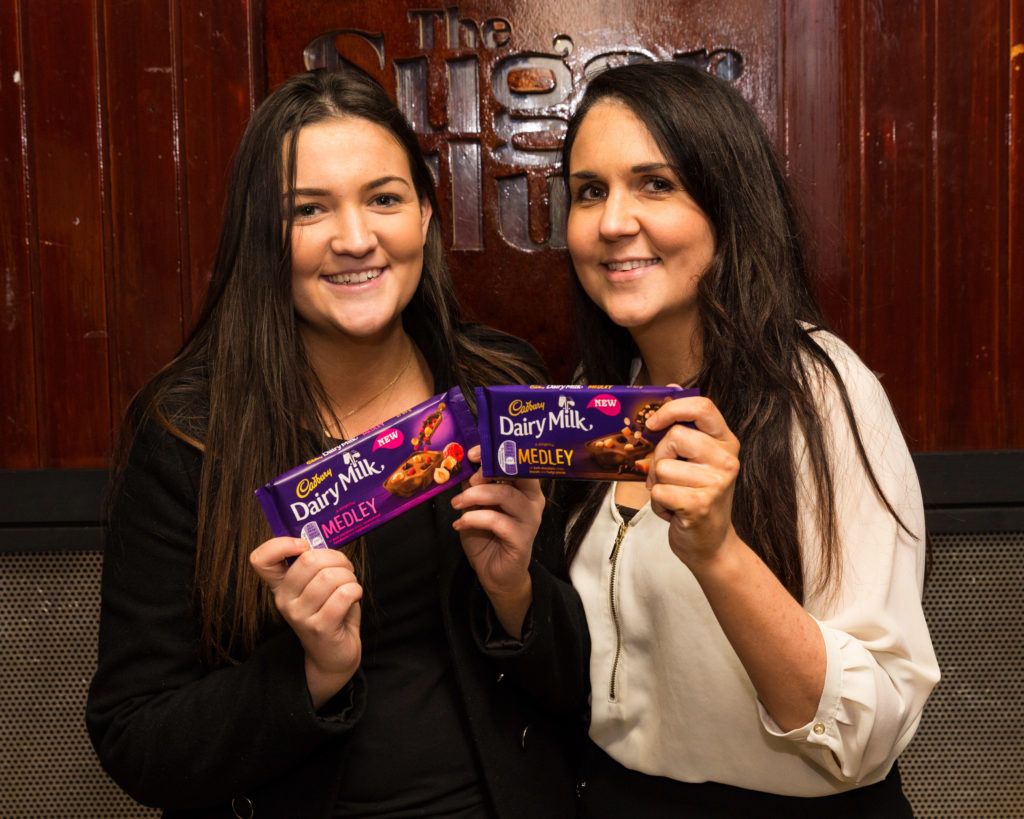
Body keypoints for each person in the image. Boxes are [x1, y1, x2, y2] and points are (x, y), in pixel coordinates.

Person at [86, 68, 589, 818]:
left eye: (383, 198)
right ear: (264, 235)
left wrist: (516, 593)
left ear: (423, 215)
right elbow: (135, 737)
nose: (355, 239)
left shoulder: (497, 387)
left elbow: (586, 686)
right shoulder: (188, 432)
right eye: (309, 209)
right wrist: (312, 669)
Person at [558, 61, 939, 816]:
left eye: (655, 184)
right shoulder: (588, 399)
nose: (611, 221)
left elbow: (868, 731)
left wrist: (718, 552)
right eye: (589, 191)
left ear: (726, 209)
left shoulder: (823, 391)